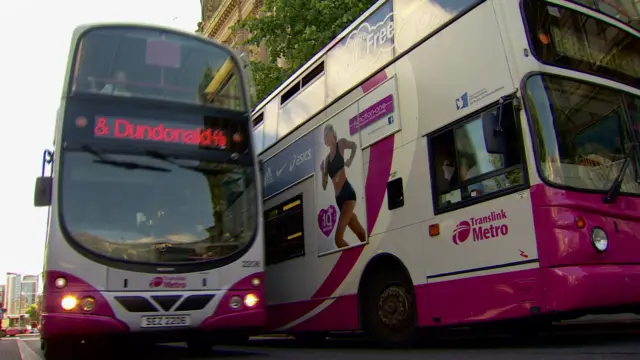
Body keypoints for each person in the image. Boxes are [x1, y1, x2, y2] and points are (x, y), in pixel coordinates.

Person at [320, 123, 367, 249]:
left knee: (338, 240)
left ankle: (354, 258)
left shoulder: (340, 144)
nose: (325, 137)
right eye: (324, 136)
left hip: (347, 196)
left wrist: (350, 160)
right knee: (361, 235)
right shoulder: (326, 160)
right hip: (339, 202)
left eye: (327, 134)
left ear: (332, 133)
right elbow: (324, 186)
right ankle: (367, 252)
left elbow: (354, 146)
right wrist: (322, 173)